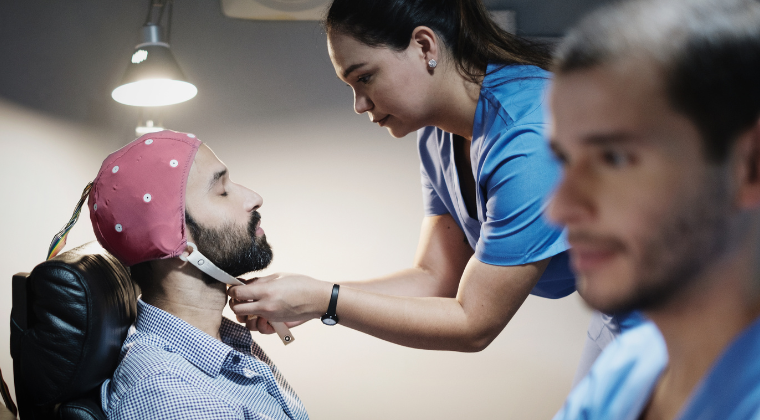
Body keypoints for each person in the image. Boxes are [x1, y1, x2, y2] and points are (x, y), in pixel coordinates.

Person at [228, 0, 639, 380]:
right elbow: (435, 278)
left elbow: (473, 324)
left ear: (425, 46)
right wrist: (309, 297)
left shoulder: (530, 136)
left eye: (365, 77)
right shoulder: (438, 136)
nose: (359, 104)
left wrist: (324, 300)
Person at [546, 0, 760, 418]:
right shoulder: (629, 366)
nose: (560, 208)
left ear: (750, 167)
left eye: (615, 158)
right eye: (566, 160)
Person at [80, 131, 308, 419]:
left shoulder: (222, 343)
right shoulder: (170, 395)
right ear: (173, 239)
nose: (254, 198)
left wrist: (324, 300)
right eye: (222, 191)